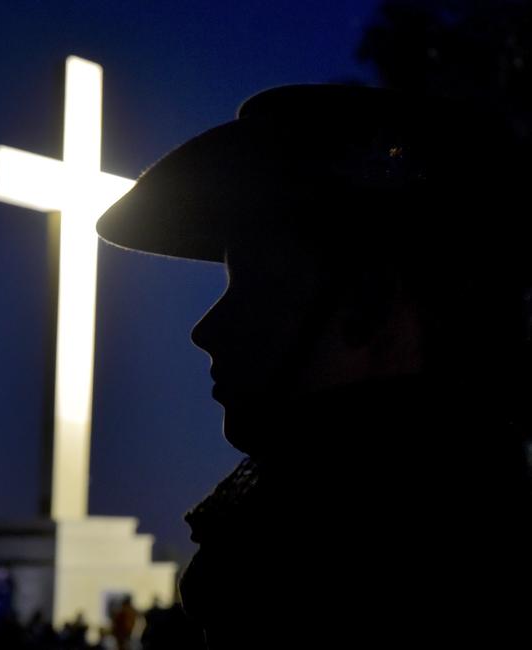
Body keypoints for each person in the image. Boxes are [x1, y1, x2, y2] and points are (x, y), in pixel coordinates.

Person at [97, 85, 532, 647]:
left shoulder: (388, 575)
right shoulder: (455, 512)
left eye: (251, 287)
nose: (205, 331)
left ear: (368, 303)